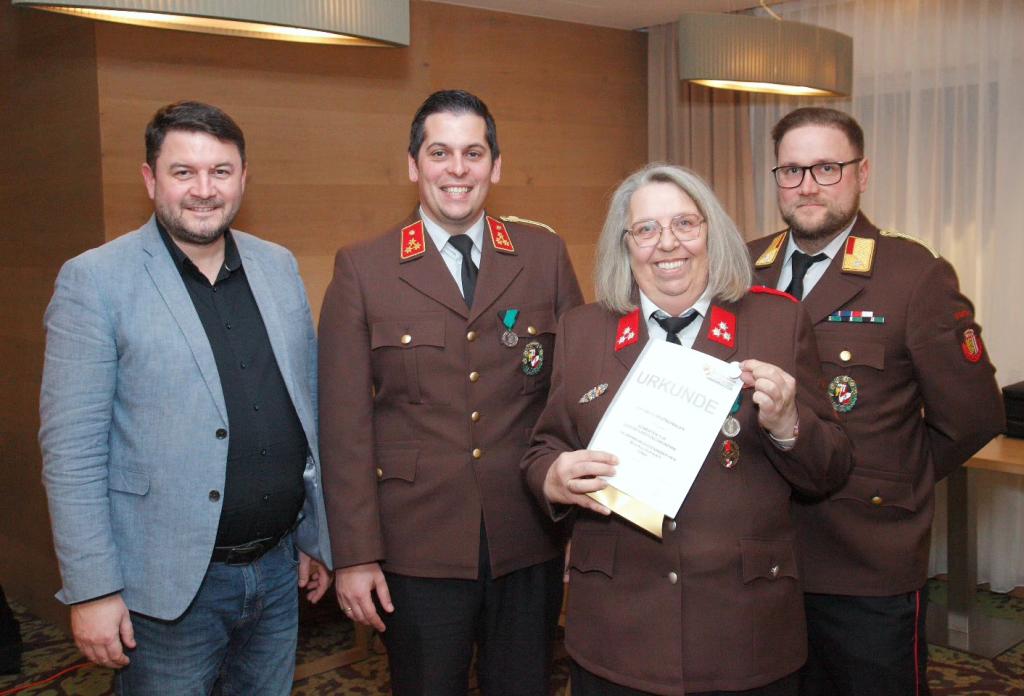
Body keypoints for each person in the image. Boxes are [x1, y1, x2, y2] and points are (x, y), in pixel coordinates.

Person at [522, 163, 853, 695]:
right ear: (625, 245)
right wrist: (553, 477)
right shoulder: (583, 331)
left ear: (710, 232)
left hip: (741, 627)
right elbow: (544, 447)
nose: (667, 243)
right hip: (618, 628)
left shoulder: (776, 323)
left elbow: (830, 468)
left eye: (684, 224)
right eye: (646, 229)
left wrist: (789, 425)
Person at [39, 101, 333, 695]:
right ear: (151, 179)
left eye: (220, 171)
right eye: (184, 172)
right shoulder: (95, 280)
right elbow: (72, 453)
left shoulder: (278, 267)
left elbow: (307, 414)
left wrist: (313, 535)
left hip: (277, 571)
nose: (204, 189)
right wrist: (93, 590)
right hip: (165, 589)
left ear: (243, 178)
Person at [318, 89, 584, 695]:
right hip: (416, 546)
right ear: (414, 165)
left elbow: (572, 399)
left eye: (473, 153)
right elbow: (343, 427)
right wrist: (355, 555)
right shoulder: (364, 268)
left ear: (496, 166)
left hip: (528, 535)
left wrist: (578, 528)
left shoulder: (543, 255)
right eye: (439, 153)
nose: (457, 170)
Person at [749, 107, 1005, 696]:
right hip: (761, 552)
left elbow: (973, 415)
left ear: (862, 174)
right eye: (791, 170)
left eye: (827, 168)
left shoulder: (912, 274)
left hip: (864, 553)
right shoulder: (742, 266)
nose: (807, 185)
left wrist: (899, 476)